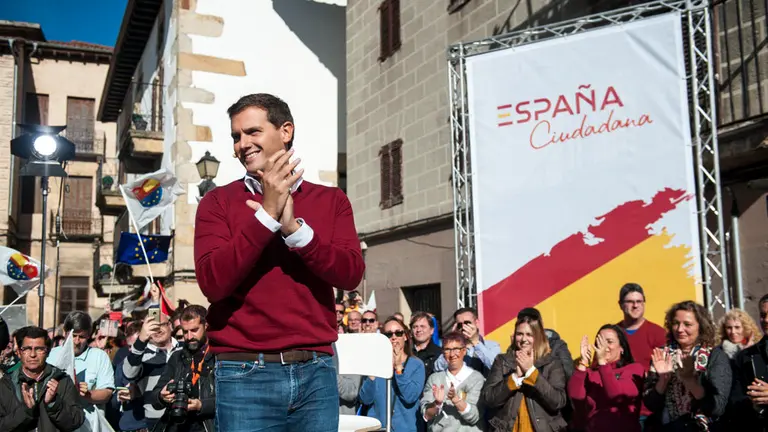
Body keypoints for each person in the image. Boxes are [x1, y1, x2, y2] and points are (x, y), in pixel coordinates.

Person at [194, 93, 365, 432]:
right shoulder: (217, 202)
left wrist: (296, 232)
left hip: (316, 371)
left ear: (285, 131)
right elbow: (213, 283)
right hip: (244, 373)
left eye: (252, 132)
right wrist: (267, 216)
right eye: (236, 136)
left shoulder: (331, 199)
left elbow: (350, 274)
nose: (242, 144)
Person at [642, 301, 731, 431]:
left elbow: (717, 407)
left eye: (687, 324)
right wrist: (663, 380)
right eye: (675, 323)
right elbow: (651, 404)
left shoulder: (715, 356)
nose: (680, 329)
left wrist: (689, 380)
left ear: (701, 326)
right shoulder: (662, 355)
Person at [482, 315, 567, 432]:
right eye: (520, 334)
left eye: (529, 334)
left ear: (538, 336)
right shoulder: (502, 361)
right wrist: (514, 378)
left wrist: (531, 372)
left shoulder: (552, 362)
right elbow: (488, 398)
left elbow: (558, 401)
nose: (523, 339)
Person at [4, 326, 84, 432]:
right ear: (19, 352)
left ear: (48, 352)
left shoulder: (62, 380)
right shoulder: (6, 384)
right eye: (27, 349)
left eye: (39, 349)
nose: (33, 355)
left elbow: (76, 421)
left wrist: (54, 403)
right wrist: (26, 411)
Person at [568, 324, 644, 432]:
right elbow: (575, 397)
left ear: (622, 348)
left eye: (609, 342)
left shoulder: (634, 369)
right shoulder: (590, 373)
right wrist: (583, 362)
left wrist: (602, 363)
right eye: (600, 342)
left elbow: (617, 396)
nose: (604, 347)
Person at [47, 312, 115, 432]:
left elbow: (107, 393)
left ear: (89, 335)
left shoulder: (99, 356)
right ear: (65, 333)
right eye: (73, 335)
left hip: (88, 425)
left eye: (82, 337)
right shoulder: (51, 355)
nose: (77, 341)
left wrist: (87, 394)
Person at [153, 305, 215, 432]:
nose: (189, 336)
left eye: (194, 330)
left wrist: (202, 405)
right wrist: (161, 396)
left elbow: (229, 401)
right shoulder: (177, 357)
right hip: (176, 426)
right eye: (185, 332)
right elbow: (154, 398)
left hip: (206, 426)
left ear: (206, 326)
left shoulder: (218, 357)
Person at [359, 316, 425, 432]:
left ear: (405, 336)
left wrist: (399, 369)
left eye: (398, 333)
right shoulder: (375, 363)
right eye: (389, 334)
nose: (394, 337)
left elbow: (410, 396)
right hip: (379, 428)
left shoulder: (416, 364)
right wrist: (372, 374)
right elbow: (365, 399)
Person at [421, 331, 484, 431]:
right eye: (447, 350)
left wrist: (456, 399)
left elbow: (474, 417)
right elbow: (426, 415)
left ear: (464, 351)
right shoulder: (434, 379)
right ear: (443, 353)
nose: (452, 354)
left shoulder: (477, 379)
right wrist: (437, 404)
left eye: (456, 349)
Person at [434, 308, 501, 376]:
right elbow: (437, 368)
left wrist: (475, 342)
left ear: (477, 323)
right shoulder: (452, 347)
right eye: (460, 325)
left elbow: (496, 366)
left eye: (467, 323)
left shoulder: (491, 345)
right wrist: (453, 342)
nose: (463, 327)